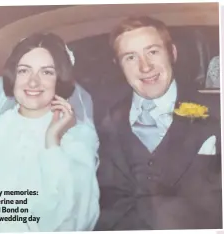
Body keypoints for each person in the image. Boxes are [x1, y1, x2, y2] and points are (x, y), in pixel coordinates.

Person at [95, 16, 221, 230]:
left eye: (152, 52)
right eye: (131, 57)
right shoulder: (101, 120)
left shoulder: (218, 111)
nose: (145, 67)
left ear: (172, 53)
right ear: (118, 66)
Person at [0, 33, 100, 232]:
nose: (33, 82)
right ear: (13, 76)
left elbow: (77, 219)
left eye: (46, 72)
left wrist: (52, 143)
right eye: (24, 71)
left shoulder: (78, 139)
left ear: (60, 78)